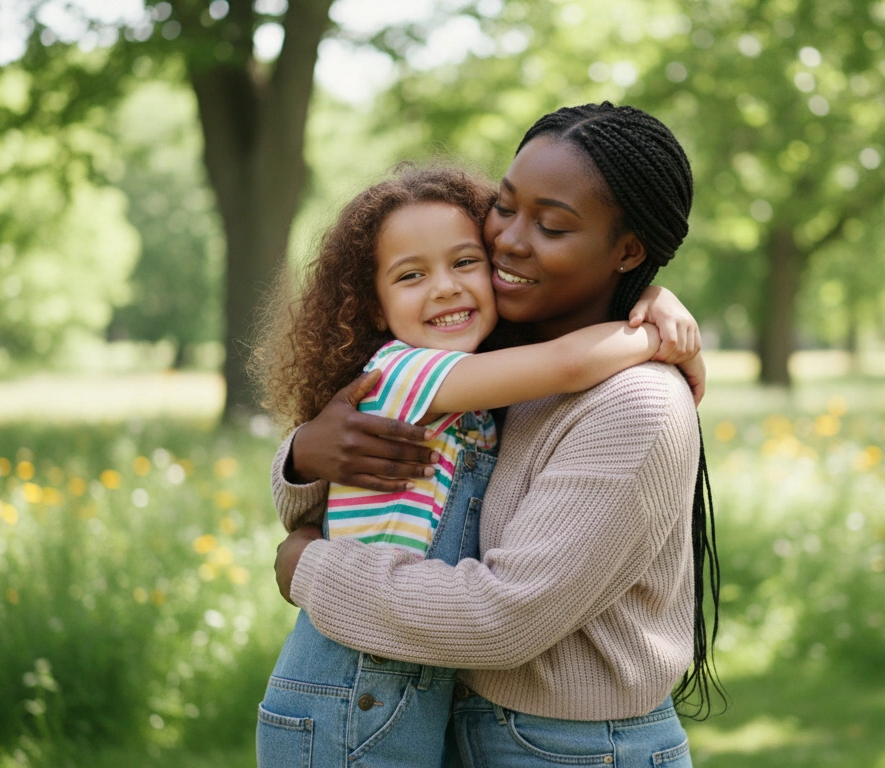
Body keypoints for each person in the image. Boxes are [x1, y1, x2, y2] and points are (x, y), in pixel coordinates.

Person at [271, 103, 721, 768]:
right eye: (504, 206)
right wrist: (306, 454)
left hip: (574, 751)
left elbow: (503, 620)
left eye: (552, 225)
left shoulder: (634, 402)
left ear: (628, 250)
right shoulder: (490, 364)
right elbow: (347, 501)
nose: (508, 238)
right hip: (459, 727)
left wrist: (309, 569)